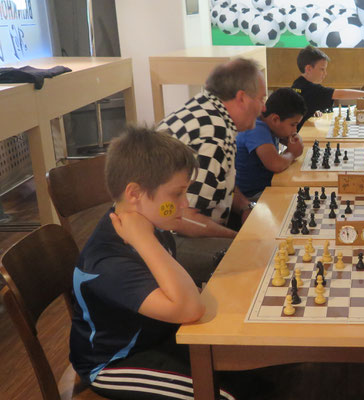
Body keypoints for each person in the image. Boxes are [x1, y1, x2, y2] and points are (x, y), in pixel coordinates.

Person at [69, 127, 255, 399]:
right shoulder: (109, 261)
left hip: (159, 334)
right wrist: (144, 241)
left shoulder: (151, 222)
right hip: (117, 362)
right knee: (222, 395)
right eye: (176, 194)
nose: (185, 203)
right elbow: (190, 308)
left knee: (249, 371)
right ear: (134, 193)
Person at [158, 58, 266, 272]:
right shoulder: (214, 135)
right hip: (162, 239)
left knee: (262, 211)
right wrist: (238, 238)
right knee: (256, 256)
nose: (264, 107)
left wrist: (245, 207)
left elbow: (218, 181)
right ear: (242, 98)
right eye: (262, 98)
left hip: (176, 226)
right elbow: (184, 219)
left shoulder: (207, 109)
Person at [292, 45, 364, 132]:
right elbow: (341, 94)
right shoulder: (312, 90)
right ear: (308, 69)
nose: (325, 73)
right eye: (322, 69)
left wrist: (312, 110)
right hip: (293, 137)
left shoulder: (298, 84)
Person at [235, 88, 306, 200]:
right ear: (275, 119)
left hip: (267, 186)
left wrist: (289, 140)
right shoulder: (256, 127)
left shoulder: (268, 123)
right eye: (293, 124)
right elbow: (275, 164)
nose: (295, 130)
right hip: (254, 195)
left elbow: (282, 138)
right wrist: (292, 153)